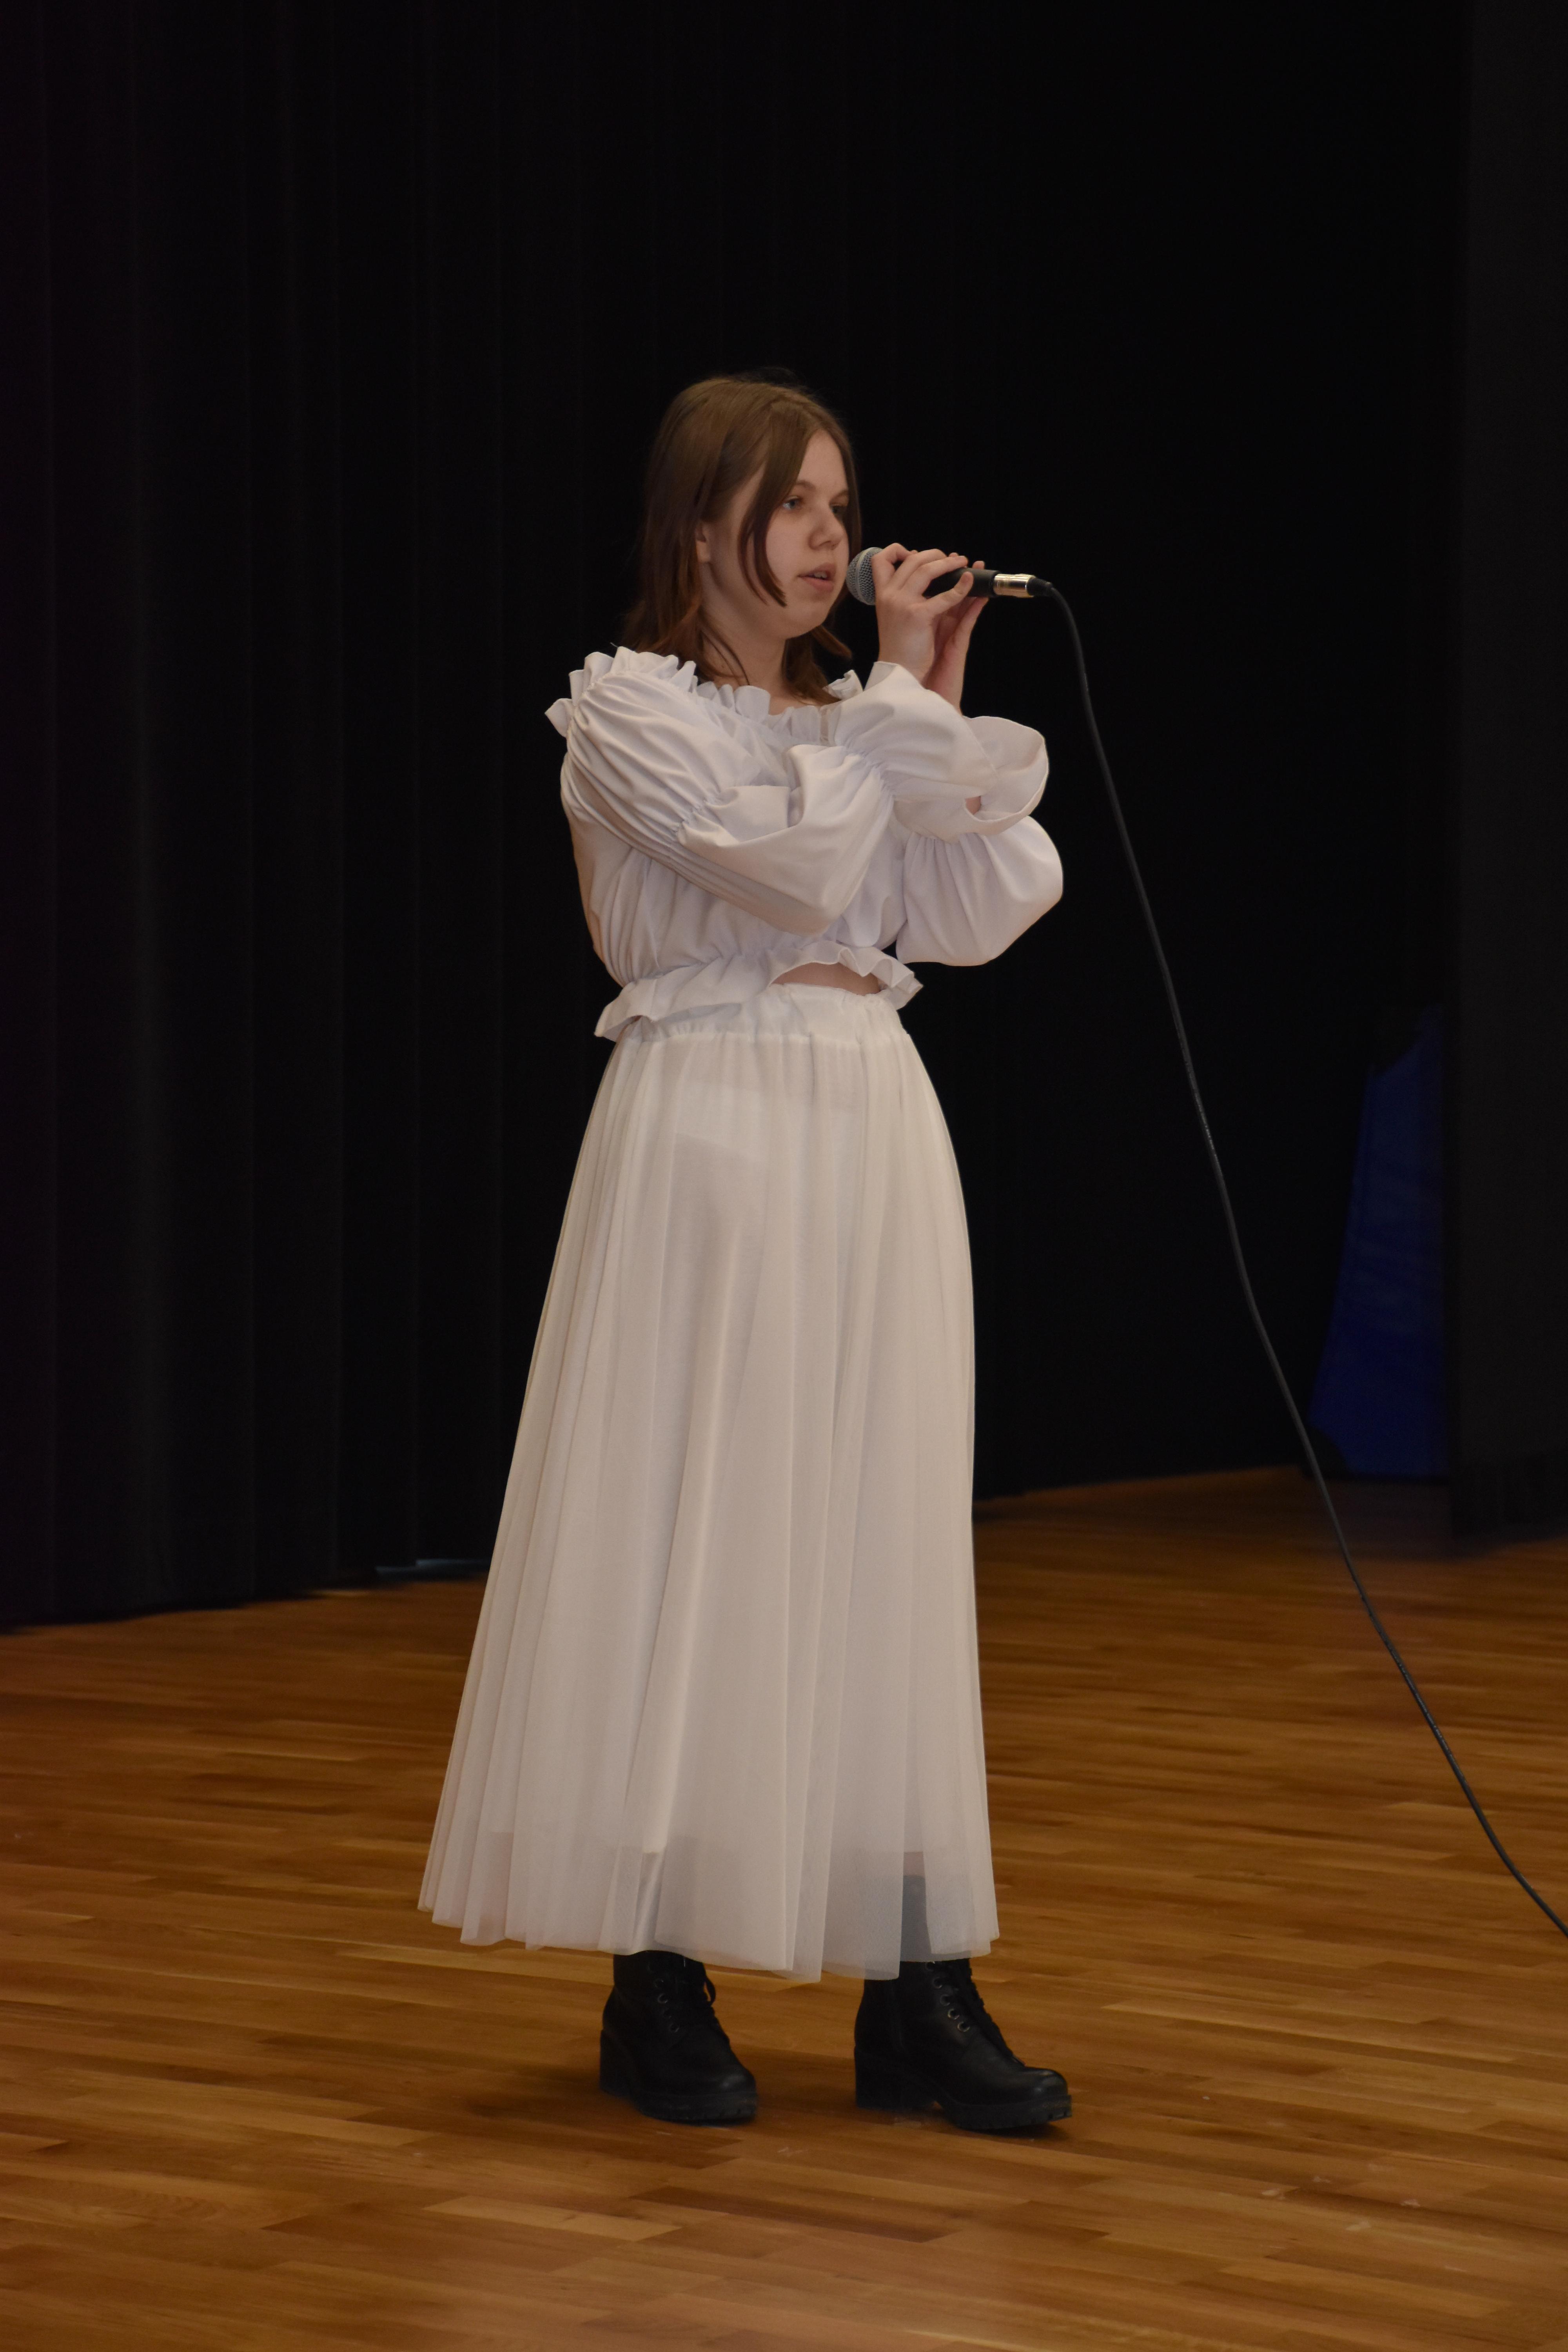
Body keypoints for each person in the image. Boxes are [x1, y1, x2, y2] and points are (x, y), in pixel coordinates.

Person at [421, 373, 1069, 2134]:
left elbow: (977, 909)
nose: (826, 539)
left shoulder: (858, 716)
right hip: (711, 1115)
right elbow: (787, 875)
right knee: (690, 1523)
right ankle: (659, 1980)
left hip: (868, 1108)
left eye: (840, 507)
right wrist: (888, 720)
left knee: (879, 1531)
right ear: (700, 522)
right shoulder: (627, 711)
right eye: (791, 504)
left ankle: (916, 1985)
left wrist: (924, 699)